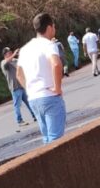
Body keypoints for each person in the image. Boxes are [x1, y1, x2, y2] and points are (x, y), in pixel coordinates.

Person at [17, 13, 67, 144]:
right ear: (50, 27)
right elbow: (56, 64)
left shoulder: (25, 49)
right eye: (54, 26)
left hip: (34, 98)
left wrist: (29, 89)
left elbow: (19, 74)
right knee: (56, 140)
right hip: (49, 96)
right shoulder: (49, 45)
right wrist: (57, 88)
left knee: (46, 139)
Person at [1, 47, 36, 130]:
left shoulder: (15, 60)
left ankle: (35, 115)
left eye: (11, 51)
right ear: (5, 54)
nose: (11, 53)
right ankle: (19, 121)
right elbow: (6, 62)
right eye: (9, 52)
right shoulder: (4, 63)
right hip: (15, 87)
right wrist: (13, 55)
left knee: (29, 102)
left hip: (21, 85)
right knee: (17, 105)